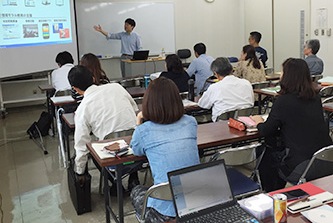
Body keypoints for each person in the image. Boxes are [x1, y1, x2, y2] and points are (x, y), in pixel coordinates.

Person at [251, 58, 332, 192]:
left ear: (288, 76)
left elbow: (266, 130)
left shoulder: (283, 101)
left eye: (282, 71)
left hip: (301, 165)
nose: (280, 74)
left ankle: (271, 195)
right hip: (324, 159)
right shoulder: (315, 98)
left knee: (266, 153)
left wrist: (259, 121)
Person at [130, 77, 200, 223]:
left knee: (136, 191)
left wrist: (139, 121)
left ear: (148, 103)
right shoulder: (190, 123)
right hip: (195, 202)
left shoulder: (143, 131)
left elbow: (136, 151)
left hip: (165, 213)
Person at [67, 65, 138, 186]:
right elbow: (135, 110)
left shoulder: (82, 109)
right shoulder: (117, 87)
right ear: (93, 79)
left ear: (75, 88)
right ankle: (134, 178)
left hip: (112, 160)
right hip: (137, 150)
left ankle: (116, 184)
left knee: (93, 150)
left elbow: (82, 146)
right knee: (129, 137)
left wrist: (80, 171)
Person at [198, 57, 254, 122]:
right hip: (244, 123)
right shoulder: (246, 83)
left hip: (221, 126)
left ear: (216, 74)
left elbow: (202, 104)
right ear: (232, 69)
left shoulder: (215, 87)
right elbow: (251, 103)